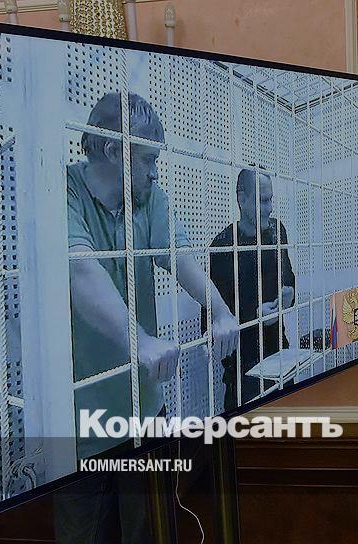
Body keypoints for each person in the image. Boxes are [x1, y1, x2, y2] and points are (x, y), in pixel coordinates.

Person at [55, 92, 238, 544]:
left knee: (151, 534)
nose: (156, 172)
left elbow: (180, 258)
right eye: (148, 159)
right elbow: (80, 272)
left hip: (145, 409)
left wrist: (219, 309)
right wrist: (141, 341)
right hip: (80, 424)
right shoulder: (63, 190)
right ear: (113, 150)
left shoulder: (149, 198)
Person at [206, 167, 296, 411]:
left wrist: (288, 296)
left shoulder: (277, 231)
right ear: (241, 199)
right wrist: (254, 317)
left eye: (271, 200)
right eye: (262, 201)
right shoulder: (222, 246)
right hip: (243, 372)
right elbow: (210, 322)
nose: (270, 208)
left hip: (280, 357)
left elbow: (289, 280)